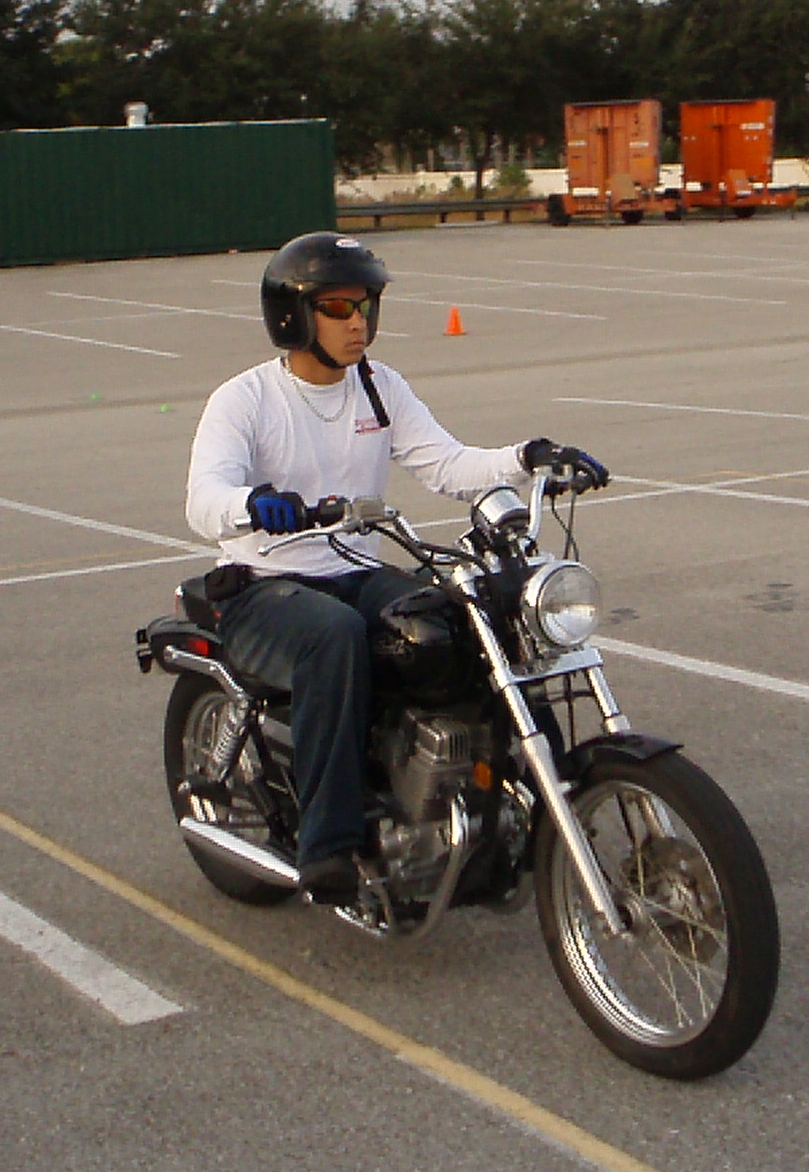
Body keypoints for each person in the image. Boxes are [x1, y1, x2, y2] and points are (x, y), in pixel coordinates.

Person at [185, 232, 606, 901]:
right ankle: (329, 844)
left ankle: (528, 800)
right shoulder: (245, 400)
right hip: (263, 584)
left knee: (466, 622)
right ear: (293, 316)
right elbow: (202, 500)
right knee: (334, 637)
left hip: (354, 570)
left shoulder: (379, 388)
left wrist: (528, 457)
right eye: (338, 307)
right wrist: (254, 505)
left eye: (364, 306)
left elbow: (447, 464)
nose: (357, 322)